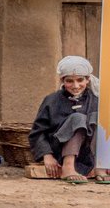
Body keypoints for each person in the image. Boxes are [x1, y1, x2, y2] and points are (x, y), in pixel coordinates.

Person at [29, 55, 103, 184]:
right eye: (70, 81)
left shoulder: (95, 100)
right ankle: (68, 167)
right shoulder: (51, 100)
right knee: (78, 118)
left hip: (87, 156)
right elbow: (38, 132)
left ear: (87, 79)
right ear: (62, 80)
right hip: (59, 153)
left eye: (80, 80)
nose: (76, 86)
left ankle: (100, 166)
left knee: (101, 118)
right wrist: (47, 155)